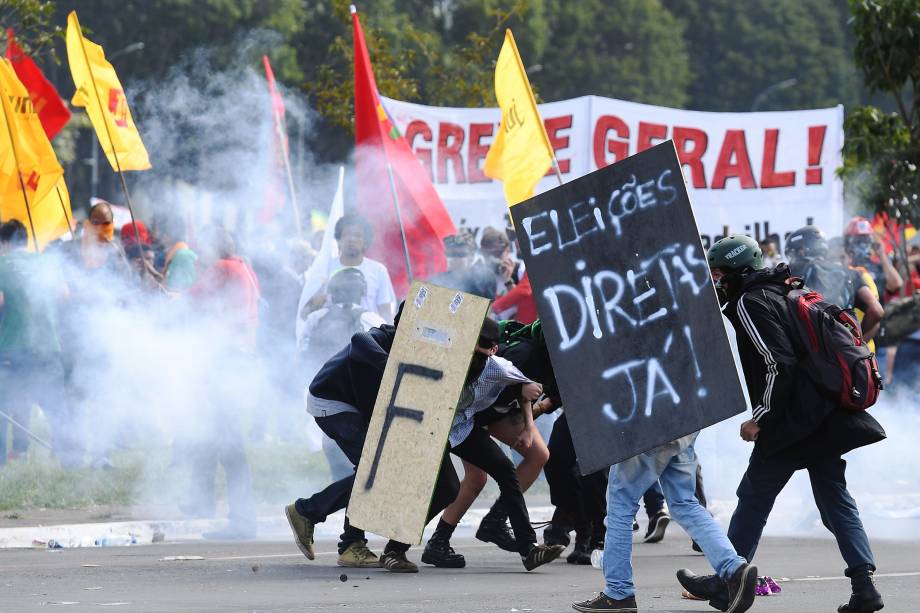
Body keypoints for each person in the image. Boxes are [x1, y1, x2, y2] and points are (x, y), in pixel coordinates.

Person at [678, 235, 885, 613]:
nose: (716, 280)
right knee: (835, 500)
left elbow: (779, 363)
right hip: (823, 413)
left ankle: (728, 582)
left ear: (737, 271)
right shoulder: (786, 290)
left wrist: (760, 418)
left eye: (720, 273)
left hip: (793, 420)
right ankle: (864, 587)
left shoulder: (749, 302)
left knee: (753, 497)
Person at [286, 306, 460, 572]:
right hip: (332, 402)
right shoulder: (381, 337)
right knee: (375, 472)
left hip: (359, 410)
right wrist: (393, 368)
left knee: (375, 471)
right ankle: (310, 513)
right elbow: (359, 339)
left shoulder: (419, 355)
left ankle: (349, 542)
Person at [421, 319, 553, 567]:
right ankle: (399, 547)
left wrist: (529, 425)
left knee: (503, 470)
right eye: (472, 354)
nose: (475, 363)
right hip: (437, 426)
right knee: (450, 486)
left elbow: (525, 385)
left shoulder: (497, 366)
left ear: (492, 351)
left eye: (481, 357)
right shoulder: (449, 359)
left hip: (465, 425)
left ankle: (526, 547)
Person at [184, 227, 261, 540]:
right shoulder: (243, 266)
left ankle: (243, 521)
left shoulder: (223, 267)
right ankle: (202, 500)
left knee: (229, 441)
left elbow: (191, 300)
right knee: (217, 433)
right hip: (239, 356)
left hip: (227, 357)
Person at [0, 221, 73, 466]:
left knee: (3, 405)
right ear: (25, 241)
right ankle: (68, 457)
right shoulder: (45, 263)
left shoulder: (2, 264)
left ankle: (0, 459)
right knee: (56, 406)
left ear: (5, 243)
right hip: (47, 344)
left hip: (12, 345)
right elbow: (64, 295)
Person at [785, 225, 883, 341]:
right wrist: (855, 340)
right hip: (842, 351)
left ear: (801, 251)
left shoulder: (789, 273)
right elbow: (876, 310)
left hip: (805, 353)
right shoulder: (850, 273)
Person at [300, 214, 396, 321]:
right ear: (338, 240)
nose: (352, 239)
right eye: (346, 234)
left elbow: (386, 313)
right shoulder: (324, 268)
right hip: (331, 333)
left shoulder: (378, 270)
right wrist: (317, 302)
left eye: (358, 235)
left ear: (365, 242)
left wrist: (388, 335)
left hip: (367, 334)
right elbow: (303, 314)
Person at [298, 267, 385, 365]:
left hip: (318, 376)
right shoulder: (373, 319)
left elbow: (302, 352)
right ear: (362, 291)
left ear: (332, 291)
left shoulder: (316, 317)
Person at [428, 234, 494, 299]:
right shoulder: (438, 279)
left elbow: (488, 307)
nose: (454, 258)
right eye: (450, 254)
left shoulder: (483, 280)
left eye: (460, 254)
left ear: (471, 257)